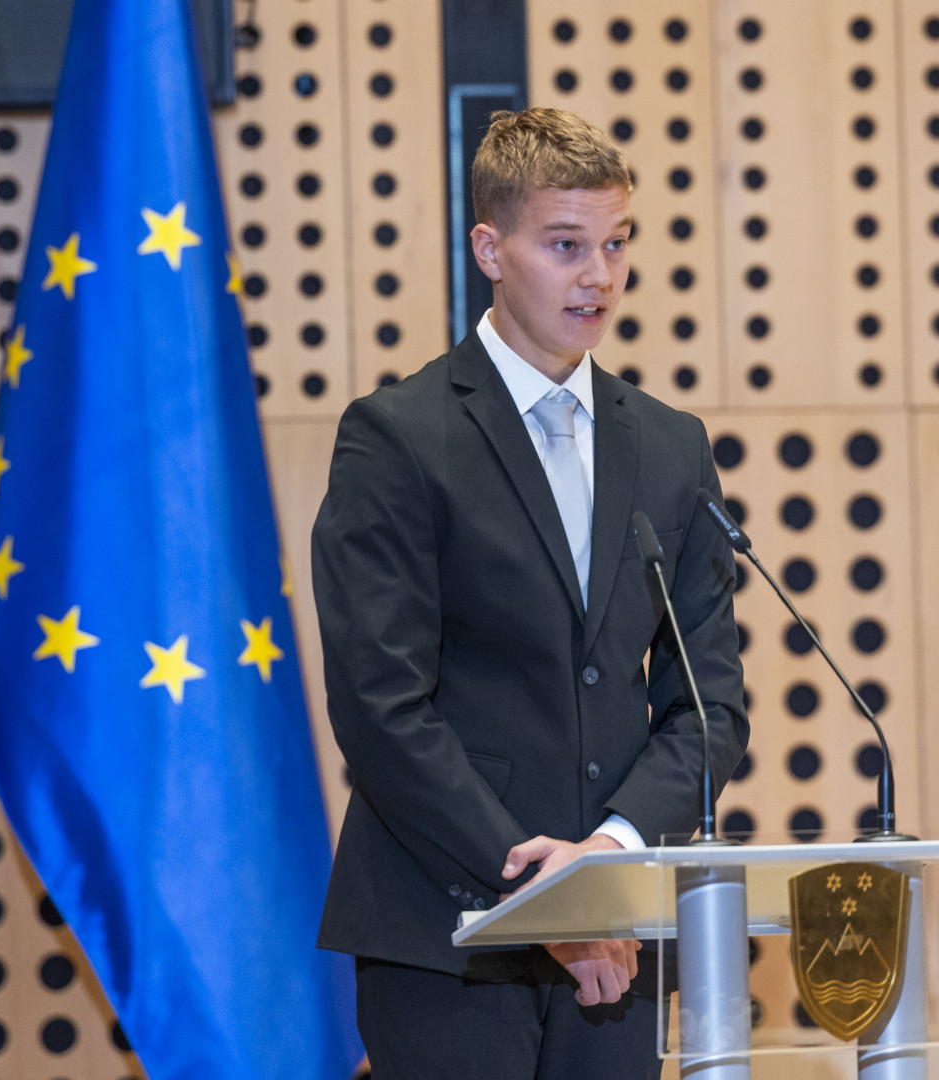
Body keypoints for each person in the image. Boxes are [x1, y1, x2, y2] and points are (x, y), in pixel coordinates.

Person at [310, 107, 750, 1078]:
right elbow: (381, 707)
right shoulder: (398, 437)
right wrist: (542, 895)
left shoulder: (671, 448)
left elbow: (708, 705)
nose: (599, 276)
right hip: (447, 932)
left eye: (616, 244)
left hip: (618, 939)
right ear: (490, 249)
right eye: (565, 245)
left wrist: (611, 855)